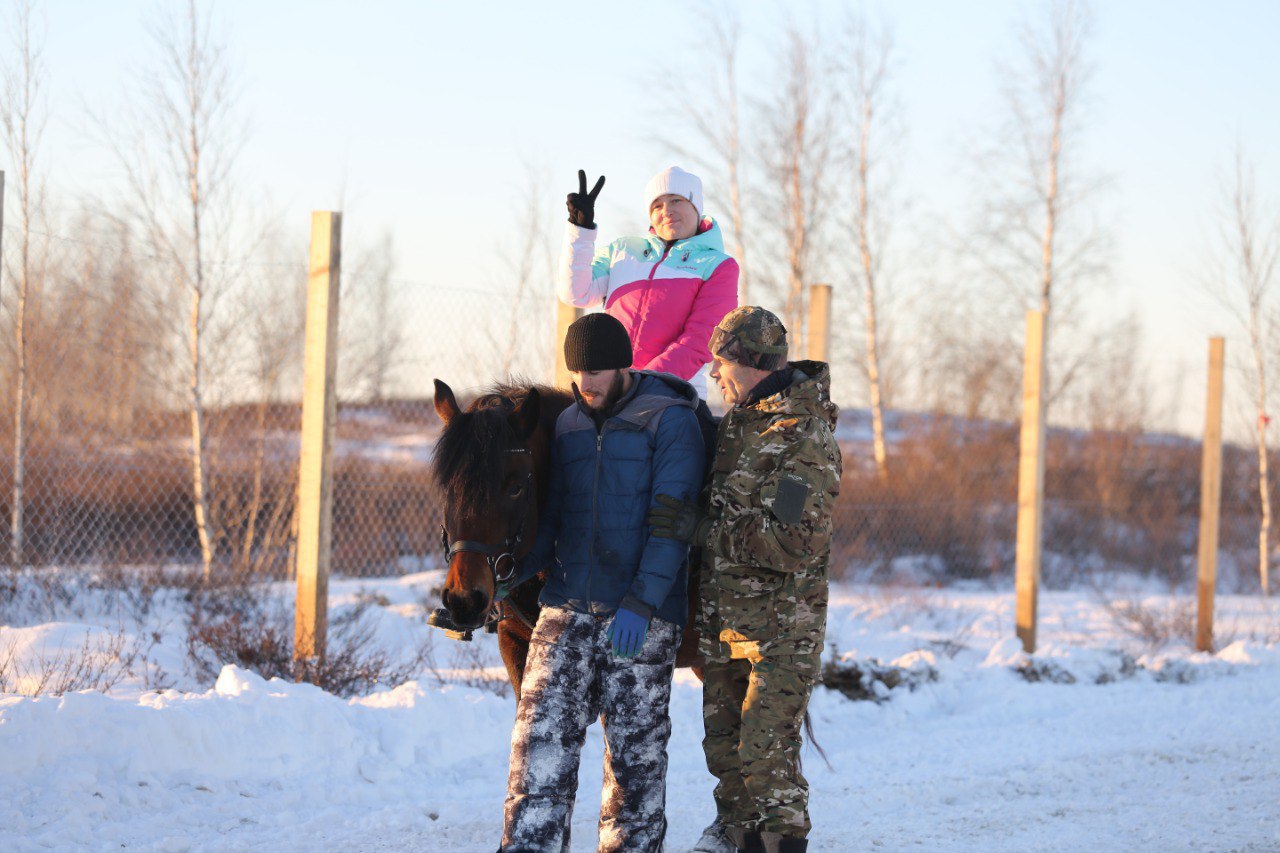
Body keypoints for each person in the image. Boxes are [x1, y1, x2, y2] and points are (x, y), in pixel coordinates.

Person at [499, 312, 707, 853]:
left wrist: (643, 603)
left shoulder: (670, 420)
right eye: (578, 372)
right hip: (565, 608)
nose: (586, 382)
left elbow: (671, 525)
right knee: (537, 750)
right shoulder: (568, 425)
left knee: (634, 764)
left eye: (596, 371)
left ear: (623, 364)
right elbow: (552, 526)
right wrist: (507, 579)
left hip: (639, 616)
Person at [648, 307, 842, 853]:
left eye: (721, 362)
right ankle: (740, 841)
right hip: (725, 623)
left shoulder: (801, 438)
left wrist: (702, 529)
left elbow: (789, 541)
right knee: (726, 754)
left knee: (766, 758)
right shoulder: (740, 424)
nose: (714, 374)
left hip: (781, 631)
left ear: (753, 363)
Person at [558, 166, 739, 399]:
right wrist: (580, 230)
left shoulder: (718, 265)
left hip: (672, 395)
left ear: (696, 207)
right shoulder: (623, 251)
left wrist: (642, 383)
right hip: (611, 392)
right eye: (657, 205)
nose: (667, 211)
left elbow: (700, 340)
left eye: (676, 200)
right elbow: (576, 293)